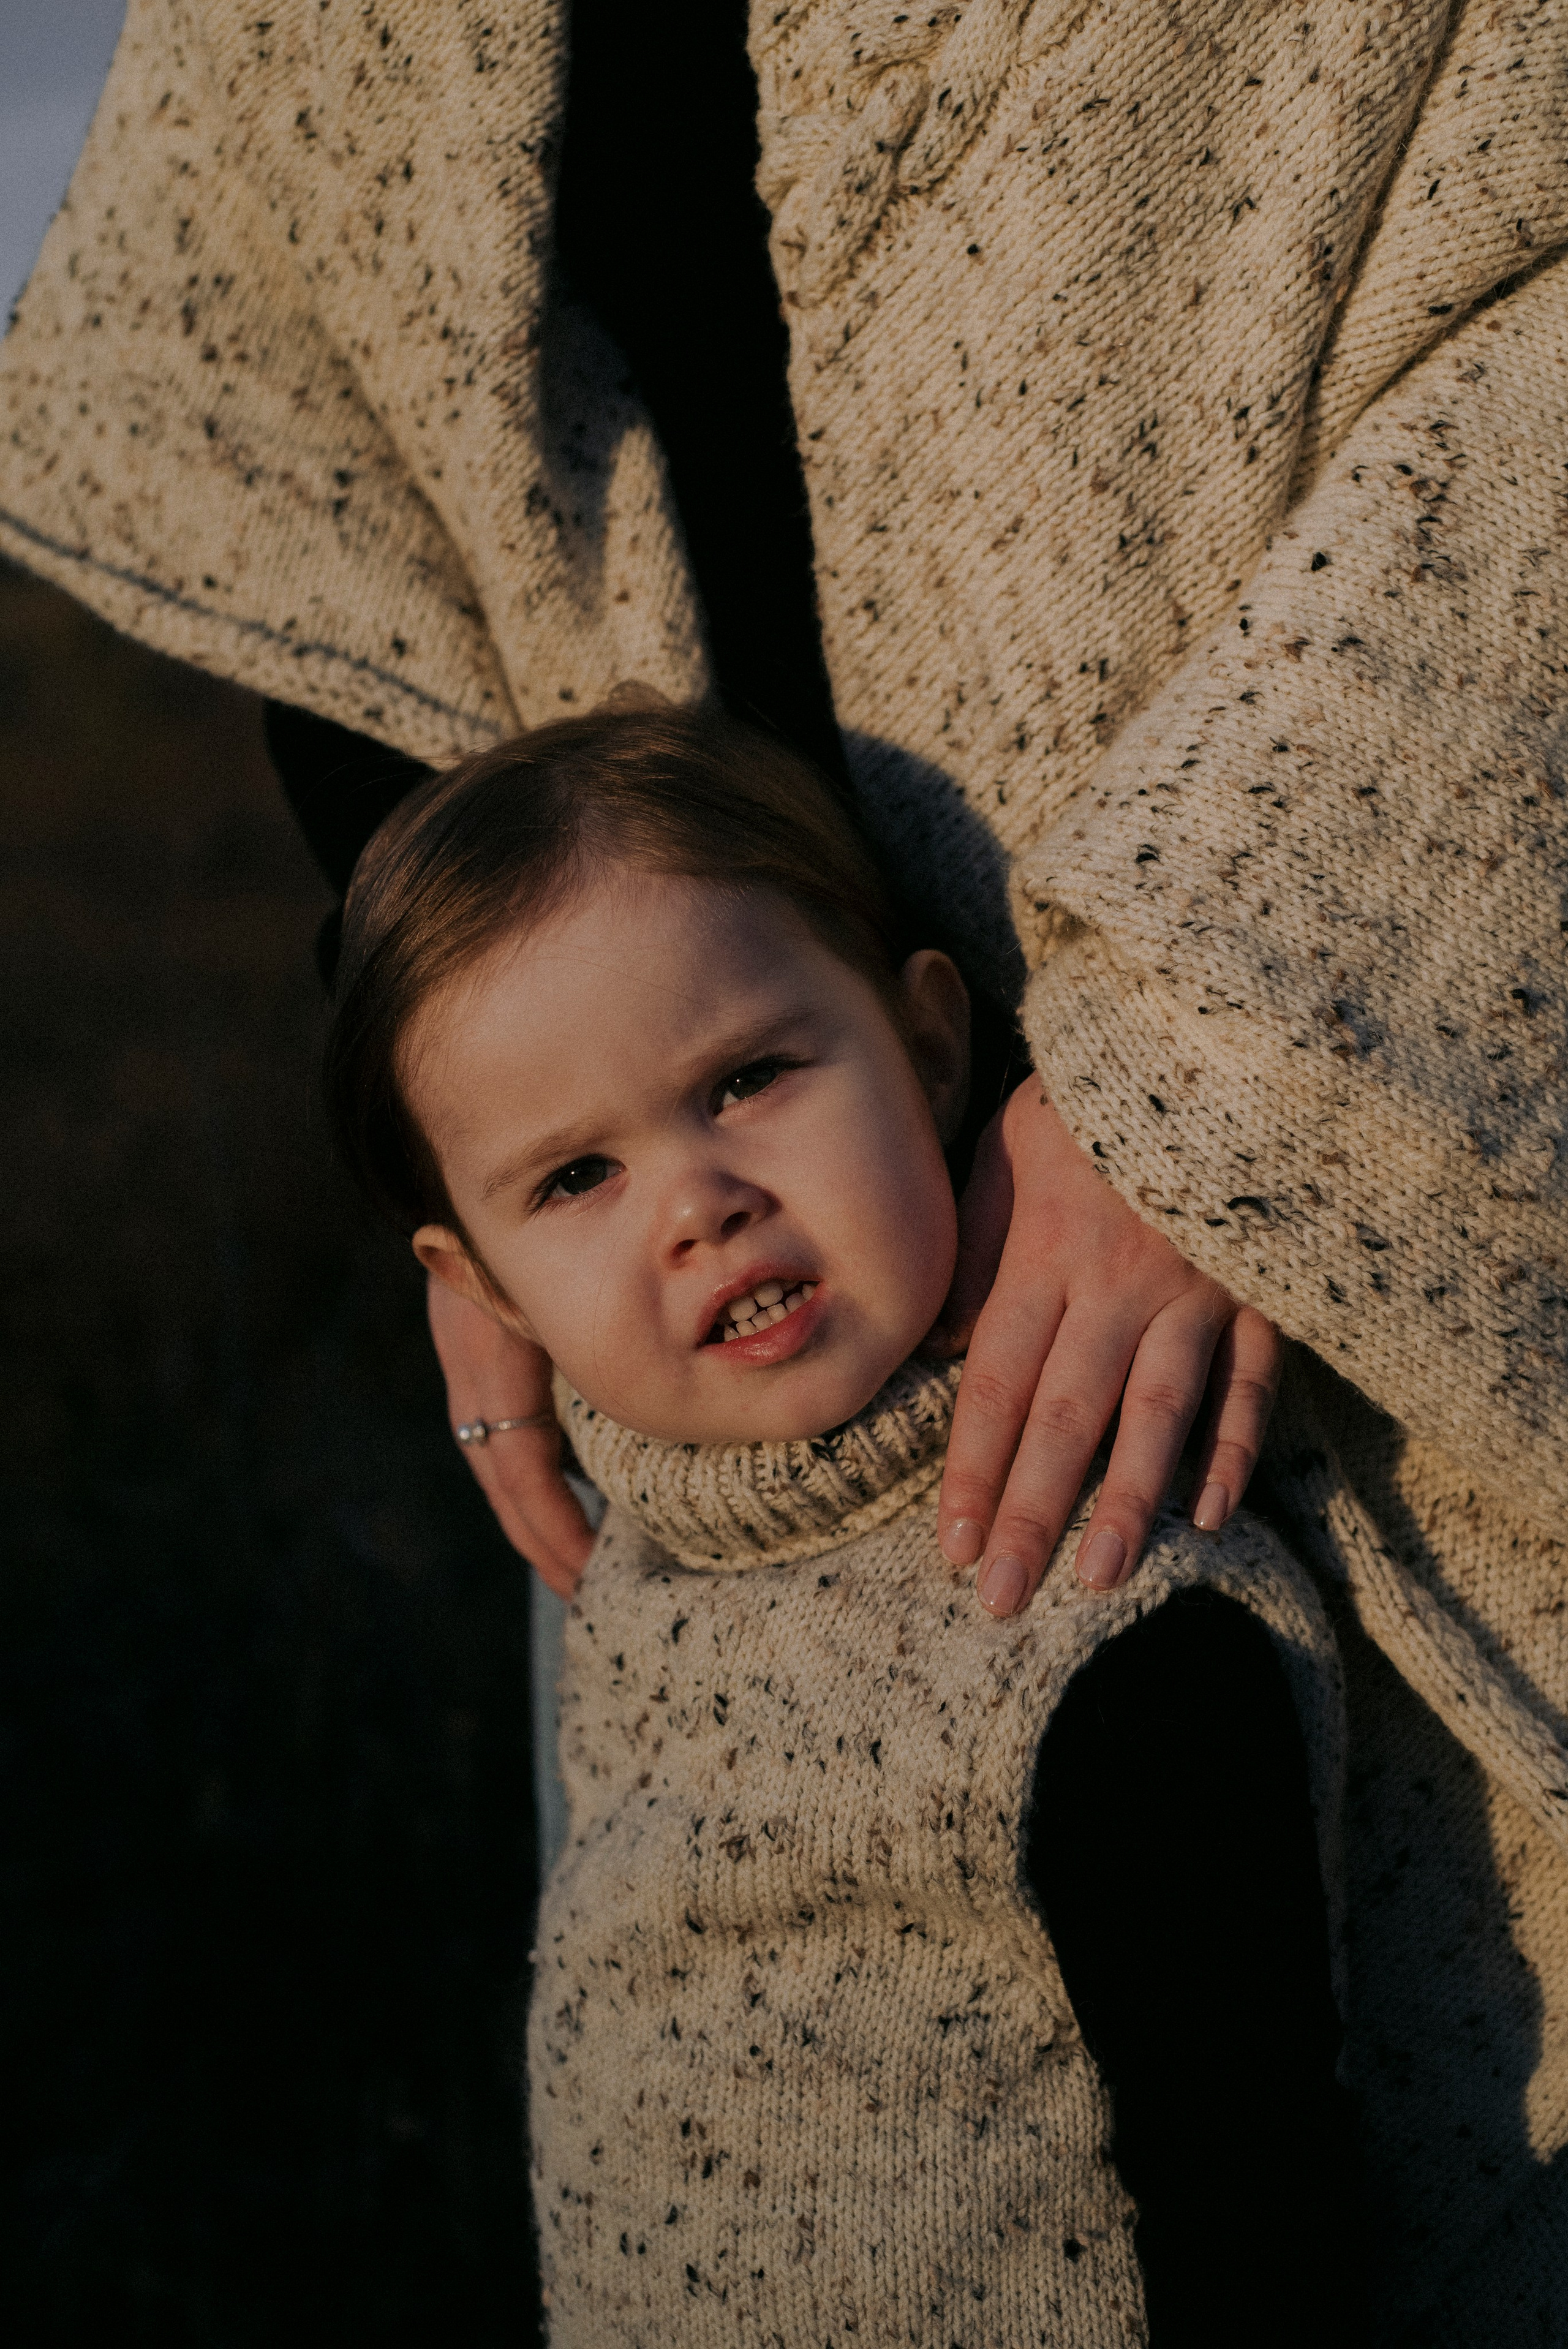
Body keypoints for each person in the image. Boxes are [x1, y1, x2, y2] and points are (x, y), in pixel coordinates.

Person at [4, 2, 1567, 2332]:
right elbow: (303, 388)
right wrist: (489, 1073)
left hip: (1389, 1081)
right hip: (695, 1397)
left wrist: (1260, 1010)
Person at [323, 701, 1362, 2344]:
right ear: (479, 1286)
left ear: (931, 1048)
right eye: (574, 1178)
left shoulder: (1099, 1612)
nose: (697, 1199)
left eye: (746, 1077)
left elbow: (1268, 2225)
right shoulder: (639, 1586)